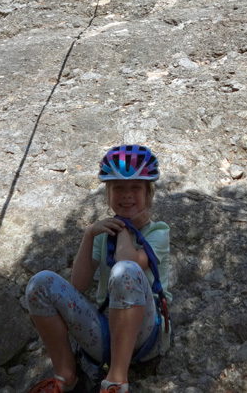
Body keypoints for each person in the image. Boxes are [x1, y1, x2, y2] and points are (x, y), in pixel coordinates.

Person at [25, 144, 171, 393]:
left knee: (126, 271)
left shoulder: (158, 232)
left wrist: (125, 227)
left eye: (135, 188)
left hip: (145, 332)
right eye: (118, 189)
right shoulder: (104, 235)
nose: (126, 195)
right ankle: (65, 376)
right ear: (108, 195)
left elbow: (130, 264)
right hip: (105, 331)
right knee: (40, 284)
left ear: (148, 194)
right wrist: (90, 234)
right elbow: (79, 285)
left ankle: (116, 381)